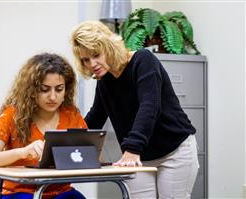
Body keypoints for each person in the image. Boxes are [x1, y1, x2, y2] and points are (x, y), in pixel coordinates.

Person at [70, 20, 199, 199]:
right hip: (140, 155)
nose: (92, 64)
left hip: (174, 151)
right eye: (85, 60)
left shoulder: (143, 60)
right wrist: (65, 142)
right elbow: (95, 117)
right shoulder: (104, 81)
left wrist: (132, 148)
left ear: (108, 47)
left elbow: (149, 105)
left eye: (96, 55)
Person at [0, 52, 87, 199]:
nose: (53, 97)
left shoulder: (71, 114)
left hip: (61, 191)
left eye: (59, 89)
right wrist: (22, 152)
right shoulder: (12, 115)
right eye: (44, 89)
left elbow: (90, 155)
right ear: (31, 90)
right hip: (20, 192)